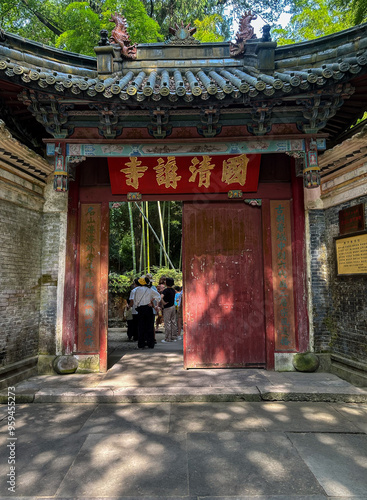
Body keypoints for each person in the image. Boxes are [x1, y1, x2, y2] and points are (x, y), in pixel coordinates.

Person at [133, 276, 161, 349]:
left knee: (141, 326)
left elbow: (135, 300)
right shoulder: (150, 289)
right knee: (149, 326)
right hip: (148, 308)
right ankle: (150, 343)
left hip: (140, 309)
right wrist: (152, 301)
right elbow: (158, 296)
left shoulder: (136, 290)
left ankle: (141, 343)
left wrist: (137, 305)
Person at [161, 277, 177, 343]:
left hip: (167, 307)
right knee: (173, 322)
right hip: (173, 306)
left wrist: (163, 302)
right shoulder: (173, 290)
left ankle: (168, 338)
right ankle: (173, 336)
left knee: (167, 322)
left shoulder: (165, 290)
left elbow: (160, 297)